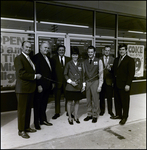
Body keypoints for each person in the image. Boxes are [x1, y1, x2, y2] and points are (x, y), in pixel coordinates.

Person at [14, 41, 42, 139]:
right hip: (22, 89)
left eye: (30, 47)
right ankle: (21, 130)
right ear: (22, 47)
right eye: (26, 47)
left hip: (29, 89)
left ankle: (26, 127)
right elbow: (21, 73)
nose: (28, 49)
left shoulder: (29, 58)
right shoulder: (19, 58)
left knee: (28, 110)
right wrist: (35, 76)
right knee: (22, 111)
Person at [111, 43, 135, 125]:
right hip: (116, 84)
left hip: (125, 85)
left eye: (123, 49)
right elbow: (115, 71)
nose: (121, 51)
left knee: (125, 101)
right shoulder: (116, 59)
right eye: (120, 50)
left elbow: (131, 74)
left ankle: (124, 117)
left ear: (126, 50)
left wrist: (128, 84)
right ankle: (119, 115)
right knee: (117, 100)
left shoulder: (130, 60)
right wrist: (110, 69)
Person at [32, 42, 53, 130]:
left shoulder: (48, 58)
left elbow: (49, 72)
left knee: (44, 104)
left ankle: (43, 120)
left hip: (47, 86)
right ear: (40, 48)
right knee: (37, 105)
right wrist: (38, 85)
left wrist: (51, 83)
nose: (46, 49)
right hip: (40, 86)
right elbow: (35, 72)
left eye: (47, 48)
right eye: (44, 48)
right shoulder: (36, 57)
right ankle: (36, 123)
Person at [64, 46, 85, 125]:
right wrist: (71, 82)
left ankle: (76, 117)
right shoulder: (68, 64)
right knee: (69, 102)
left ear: (78, 55)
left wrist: (83, 85)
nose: (75, 56)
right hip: (70, 86)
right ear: (71, 55)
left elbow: (83, 75)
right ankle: (70, 117)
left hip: (78, 86)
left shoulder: (80, 64)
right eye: (73, 55)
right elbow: (65, 74)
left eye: (76, 55)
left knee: (77, 102)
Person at [83, 45, 103, 123]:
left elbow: (101, 74)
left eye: (92, 52)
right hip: (88, 82)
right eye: (89, 52)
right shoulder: (84, 62)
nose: (90, 53)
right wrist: (84, 84)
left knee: (95, 100)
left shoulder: (99, 61)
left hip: (95, 82)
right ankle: (89, 114)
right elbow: (83, 73)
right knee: (88, 100)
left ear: (94, 52)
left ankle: (95, 115)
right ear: (87, 53)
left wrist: (100, 85)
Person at [51, 45, 71, 119]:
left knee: (68, 97)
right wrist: (53, 82)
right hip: (57, 82)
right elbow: (52, 71)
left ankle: (68, 111)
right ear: (57, 51)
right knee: (57, 98)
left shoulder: (69, 59)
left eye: (63, 50)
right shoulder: (53, 59)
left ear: (64, 51)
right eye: (60, 50)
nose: (61, 51)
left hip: (67, 82)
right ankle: (57, 112)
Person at [99, 46, 115, 118]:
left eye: (108, 50)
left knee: (109, 97)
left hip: (109, 81)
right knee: (101, 97)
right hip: (101, 81)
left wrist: (110, 69)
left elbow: (114, 71)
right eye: (106, 50)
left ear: (110, 51)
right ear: (103, 51)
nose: (107, 52)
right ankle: (102, 110)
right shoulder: (100, 59)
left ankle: (110, 111)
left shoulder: (113, 60)